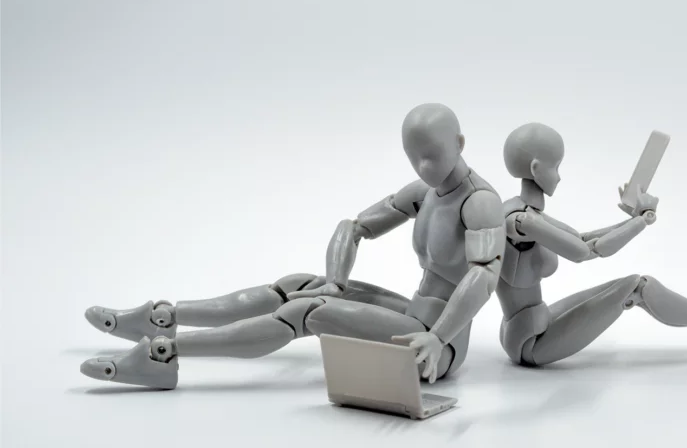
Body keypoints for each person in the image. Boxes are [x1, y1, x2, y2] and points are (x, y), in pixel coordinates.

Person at [80, 103, 505, 389]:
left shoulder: (480, 203)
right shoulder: (425, 192)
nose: (423, 167)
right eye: (414, 156)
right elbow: (353, 227)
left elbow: (484, 277)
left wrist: (438, 338)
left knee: (306, 312)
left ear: (459, 144)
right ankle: (165, 318)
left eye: (431, 155)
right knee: (299, 285)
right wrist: (336, 282)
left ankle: (162, 355)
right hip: (415, 317)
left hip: (437, 347)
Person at [495, 122, 687, 367]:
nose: (559, 177)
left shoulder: (520, 211)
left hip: (532, 324)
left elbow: (582, 238)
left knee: (640, 288)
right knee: (639, 287)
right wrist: (643, 221)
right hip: (532, 344)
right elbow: (586, 252)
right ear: (536, 168)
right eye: (556, 167)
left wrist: (631, 219)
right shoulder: (523, 222)